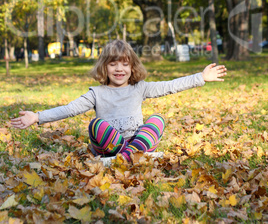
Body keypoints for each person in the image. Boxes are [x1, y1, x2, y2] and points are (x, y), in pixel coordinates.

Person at [11, 40, 227, 162]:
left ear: (132, 67)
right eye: (113, 64)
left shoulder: (140, 88)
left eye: (124, 64)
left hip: (135, 141)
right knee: (96, 125)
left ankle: (126, 155)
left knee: (157, 119)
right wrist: (37, 116)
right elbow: (69, 109)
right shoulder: (96, 93)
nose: (119, 69)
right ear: (104, 68)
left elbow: (170, 86)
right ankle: (130, 156)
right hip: (107, 146)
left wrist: (200, 77)